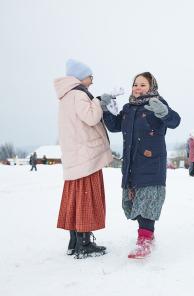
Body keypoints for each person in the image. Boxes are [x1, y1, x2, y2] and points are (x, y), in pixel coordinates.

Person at [102, 72, 181, 259]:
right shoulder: (128, 108)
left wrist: (164, 112)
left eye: (143, 85)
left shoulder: (157, 104)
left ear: (151, 87)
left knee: (147, 202)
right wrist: (105, 108)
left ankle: (144, 240)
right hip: (132, 163)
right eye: (135, 84)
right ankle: (147, 234)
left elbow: (175, 121)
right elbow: (114, 126)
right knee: (133, 204)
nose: (138, 88)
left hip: (152, 162)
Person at [55, 59, 112, 259]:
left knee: (77, 198)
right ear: (80, 77)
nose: (92, 80)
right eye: (90, 76)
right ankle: (84, 244)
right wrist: (99, 101)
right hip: (86, 155)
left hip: (74, 156)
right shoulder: (78, 95)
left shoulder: (66, 96)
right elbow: (91, 118)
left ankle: (75, 241)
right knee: (87, 198)